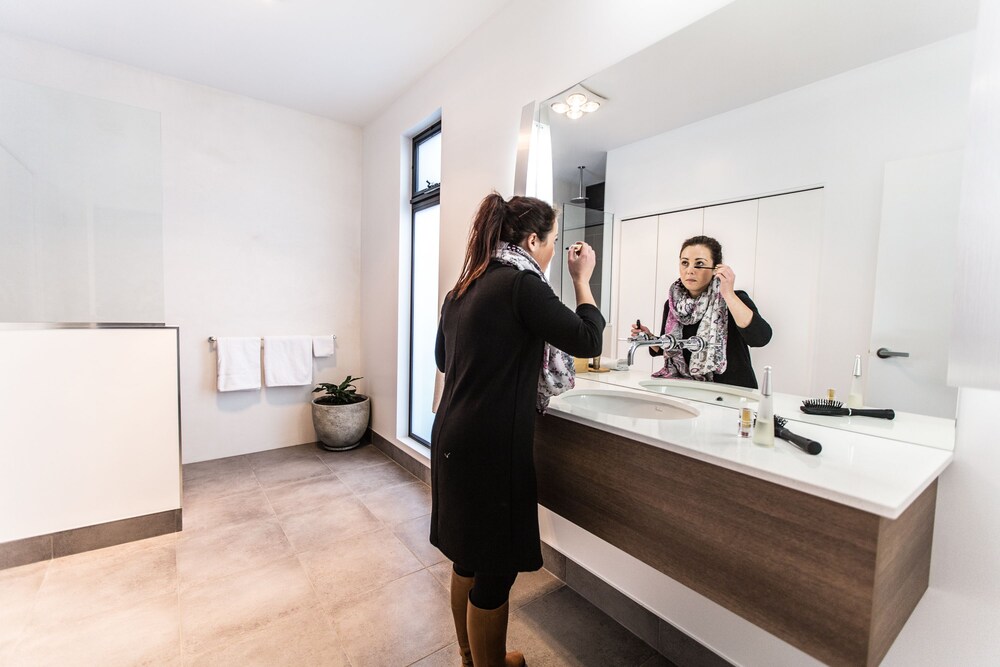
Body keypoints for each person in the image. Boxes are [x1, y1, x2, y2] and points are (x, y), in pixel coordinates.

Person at [431, 193, 605, 667]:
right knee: (495, 570)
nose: (551, 252)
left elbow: (443, 359)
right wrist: (582, 280)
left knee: (467, 557)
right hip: (490, 447)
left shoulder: (463, 287)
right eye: (550, 243)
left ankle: (471, 659)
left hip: (450, 437)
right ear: (533, 240)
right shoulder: (521, 285)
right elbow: (588, 339)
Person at [631, 235, 771, 388]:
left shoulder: (733, 299)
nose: (690, 270)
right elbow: (673, 348)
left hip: (732, 392)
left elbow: (760, 338)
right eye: (685, 263)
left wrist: (728, 294)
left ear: (715, 269)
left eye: (699, 264)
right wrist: (651, 338)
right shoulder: (672, 304)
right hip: (688, 390)